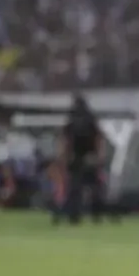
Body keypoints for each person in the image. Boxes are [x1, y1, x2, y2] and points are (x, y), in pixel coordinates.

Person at [58, 94, 104, 224]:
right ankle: (95, 214)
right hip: (87, 157)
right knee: (92, 188)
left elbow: (65, 141)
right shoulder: (90, 121)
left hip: (77, 157)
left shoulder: (73, 121)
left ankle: (75, 215)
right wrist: (99, 157)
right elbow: (98, 139)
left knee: (75, 188)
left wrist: (65, 157)